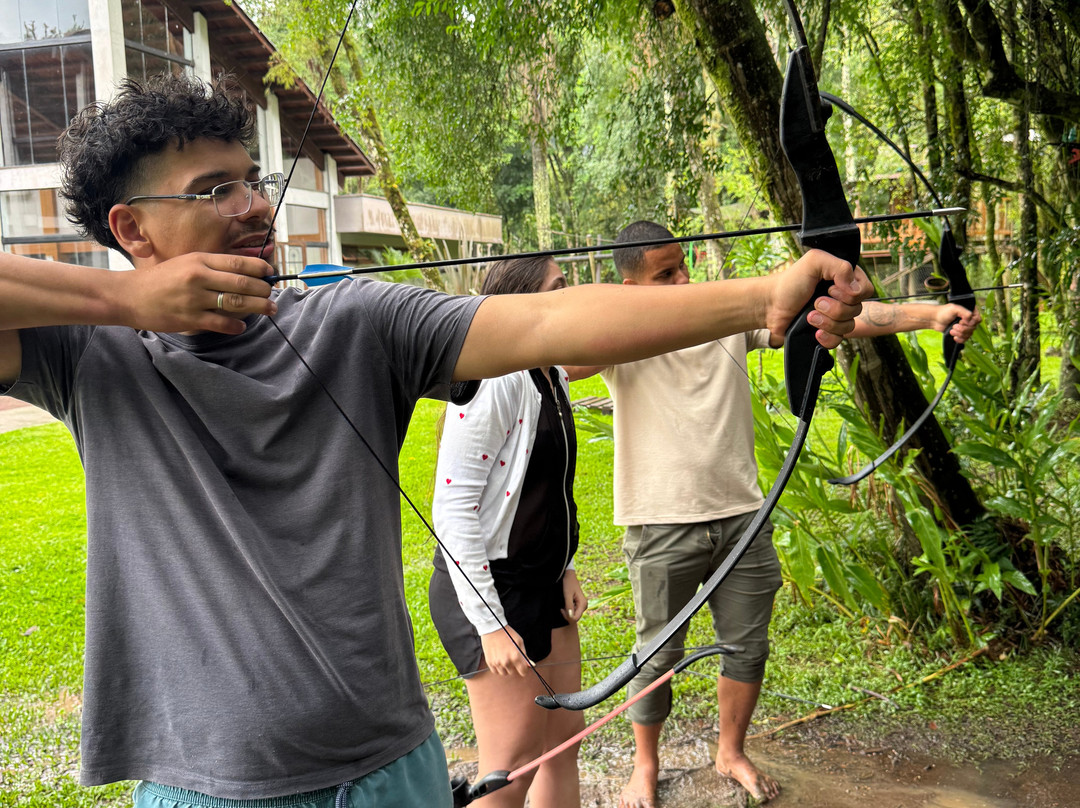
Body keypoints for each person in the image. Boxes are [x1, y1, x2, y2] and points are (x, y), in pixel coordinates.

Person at [0, 75, 869, 808]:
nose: (253, 206)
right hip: (206, 785)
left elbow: (548, 321)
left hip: (387, 768)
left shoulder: (352, 320)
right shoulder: (84, 353)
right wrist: (124, 305)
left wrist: (763, 297)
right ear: (131, 230)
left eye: (250, 180)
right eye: (210, 191)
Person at [566, 220, 981, 808]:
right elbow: (555, 352)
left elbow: (841, 320)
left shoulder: (726, 317)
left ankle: (730, 751)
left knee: (747, 646)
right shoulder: (619, 339)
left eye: (683, 265)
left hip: (743, 517)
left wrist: (931, 315)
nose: (684, 279)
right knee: (657, 656)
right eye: (666, 275)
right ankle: (645, 764)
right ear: (630, 288)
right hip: (659, 522)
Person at [429, 255, 587, 808]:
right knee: (512, 768)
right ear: (523, 300)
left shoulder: (554, 373)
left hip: (544, 585)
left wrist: (563, 566)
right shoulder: (497, 378)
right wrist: (491, 625)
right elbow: (452, 506)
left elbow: (548, 486)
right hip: (493, 591)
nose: (571, 296)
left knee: (564, 740)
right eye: (558, 288)